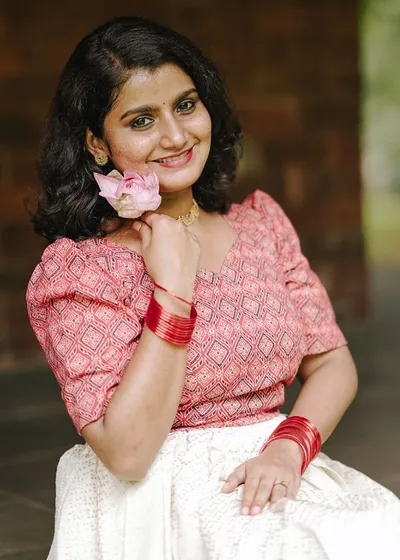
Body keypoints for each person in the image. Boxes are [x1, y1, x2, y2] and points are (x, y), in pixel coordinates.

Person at [26, 15, 400, 560]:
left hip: (275, 467)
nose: (177, 136)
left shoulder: (261, 226)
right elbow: (128, 452)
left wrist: (289, 448)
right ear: (97, 144)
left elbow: (332, 363)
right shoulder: (80, 272)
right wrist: (174, 289)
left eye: (185, 105)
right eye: (141, 120)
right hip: (162, 494)